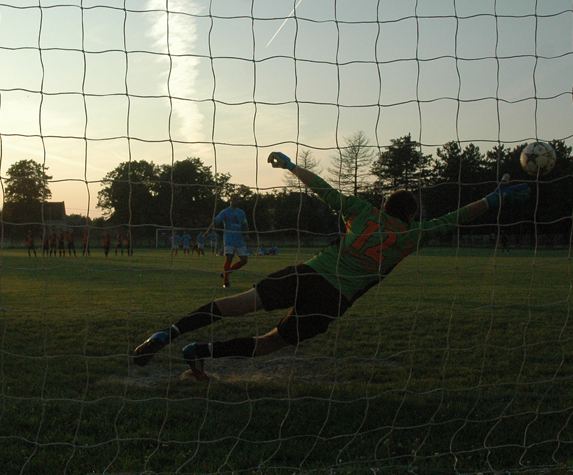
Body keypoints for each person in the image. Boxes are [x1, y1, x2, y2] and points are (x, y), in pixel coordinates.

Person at [133, 152, 530, 381]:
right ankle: (199, 351)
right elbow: (456, 217)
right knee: (272, 342)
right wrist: (495, 199)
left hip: (308, 272)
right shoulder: (411, 236)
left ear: (385, 206)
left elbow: (323, 189)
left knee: (238, 303)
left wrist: (290, 166)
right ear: (412, 214)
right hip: (333, 298)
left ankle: (167, 333)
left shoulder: (360, 211)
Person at [205, 194, 249, 288]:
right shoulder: (225, 212)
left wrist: (246, 234)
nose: (236, 200)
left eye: (237, 199)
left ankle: (226, 273)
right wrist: (208, 231)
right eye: (234, 199)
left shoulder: (242, 213)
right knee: (229, 258)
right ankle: (226, 281)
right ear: (230, 200)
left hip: (239, 240)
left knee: (244, 260)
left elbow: (245, 224)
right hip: (229, 240)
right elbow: (216, 221)